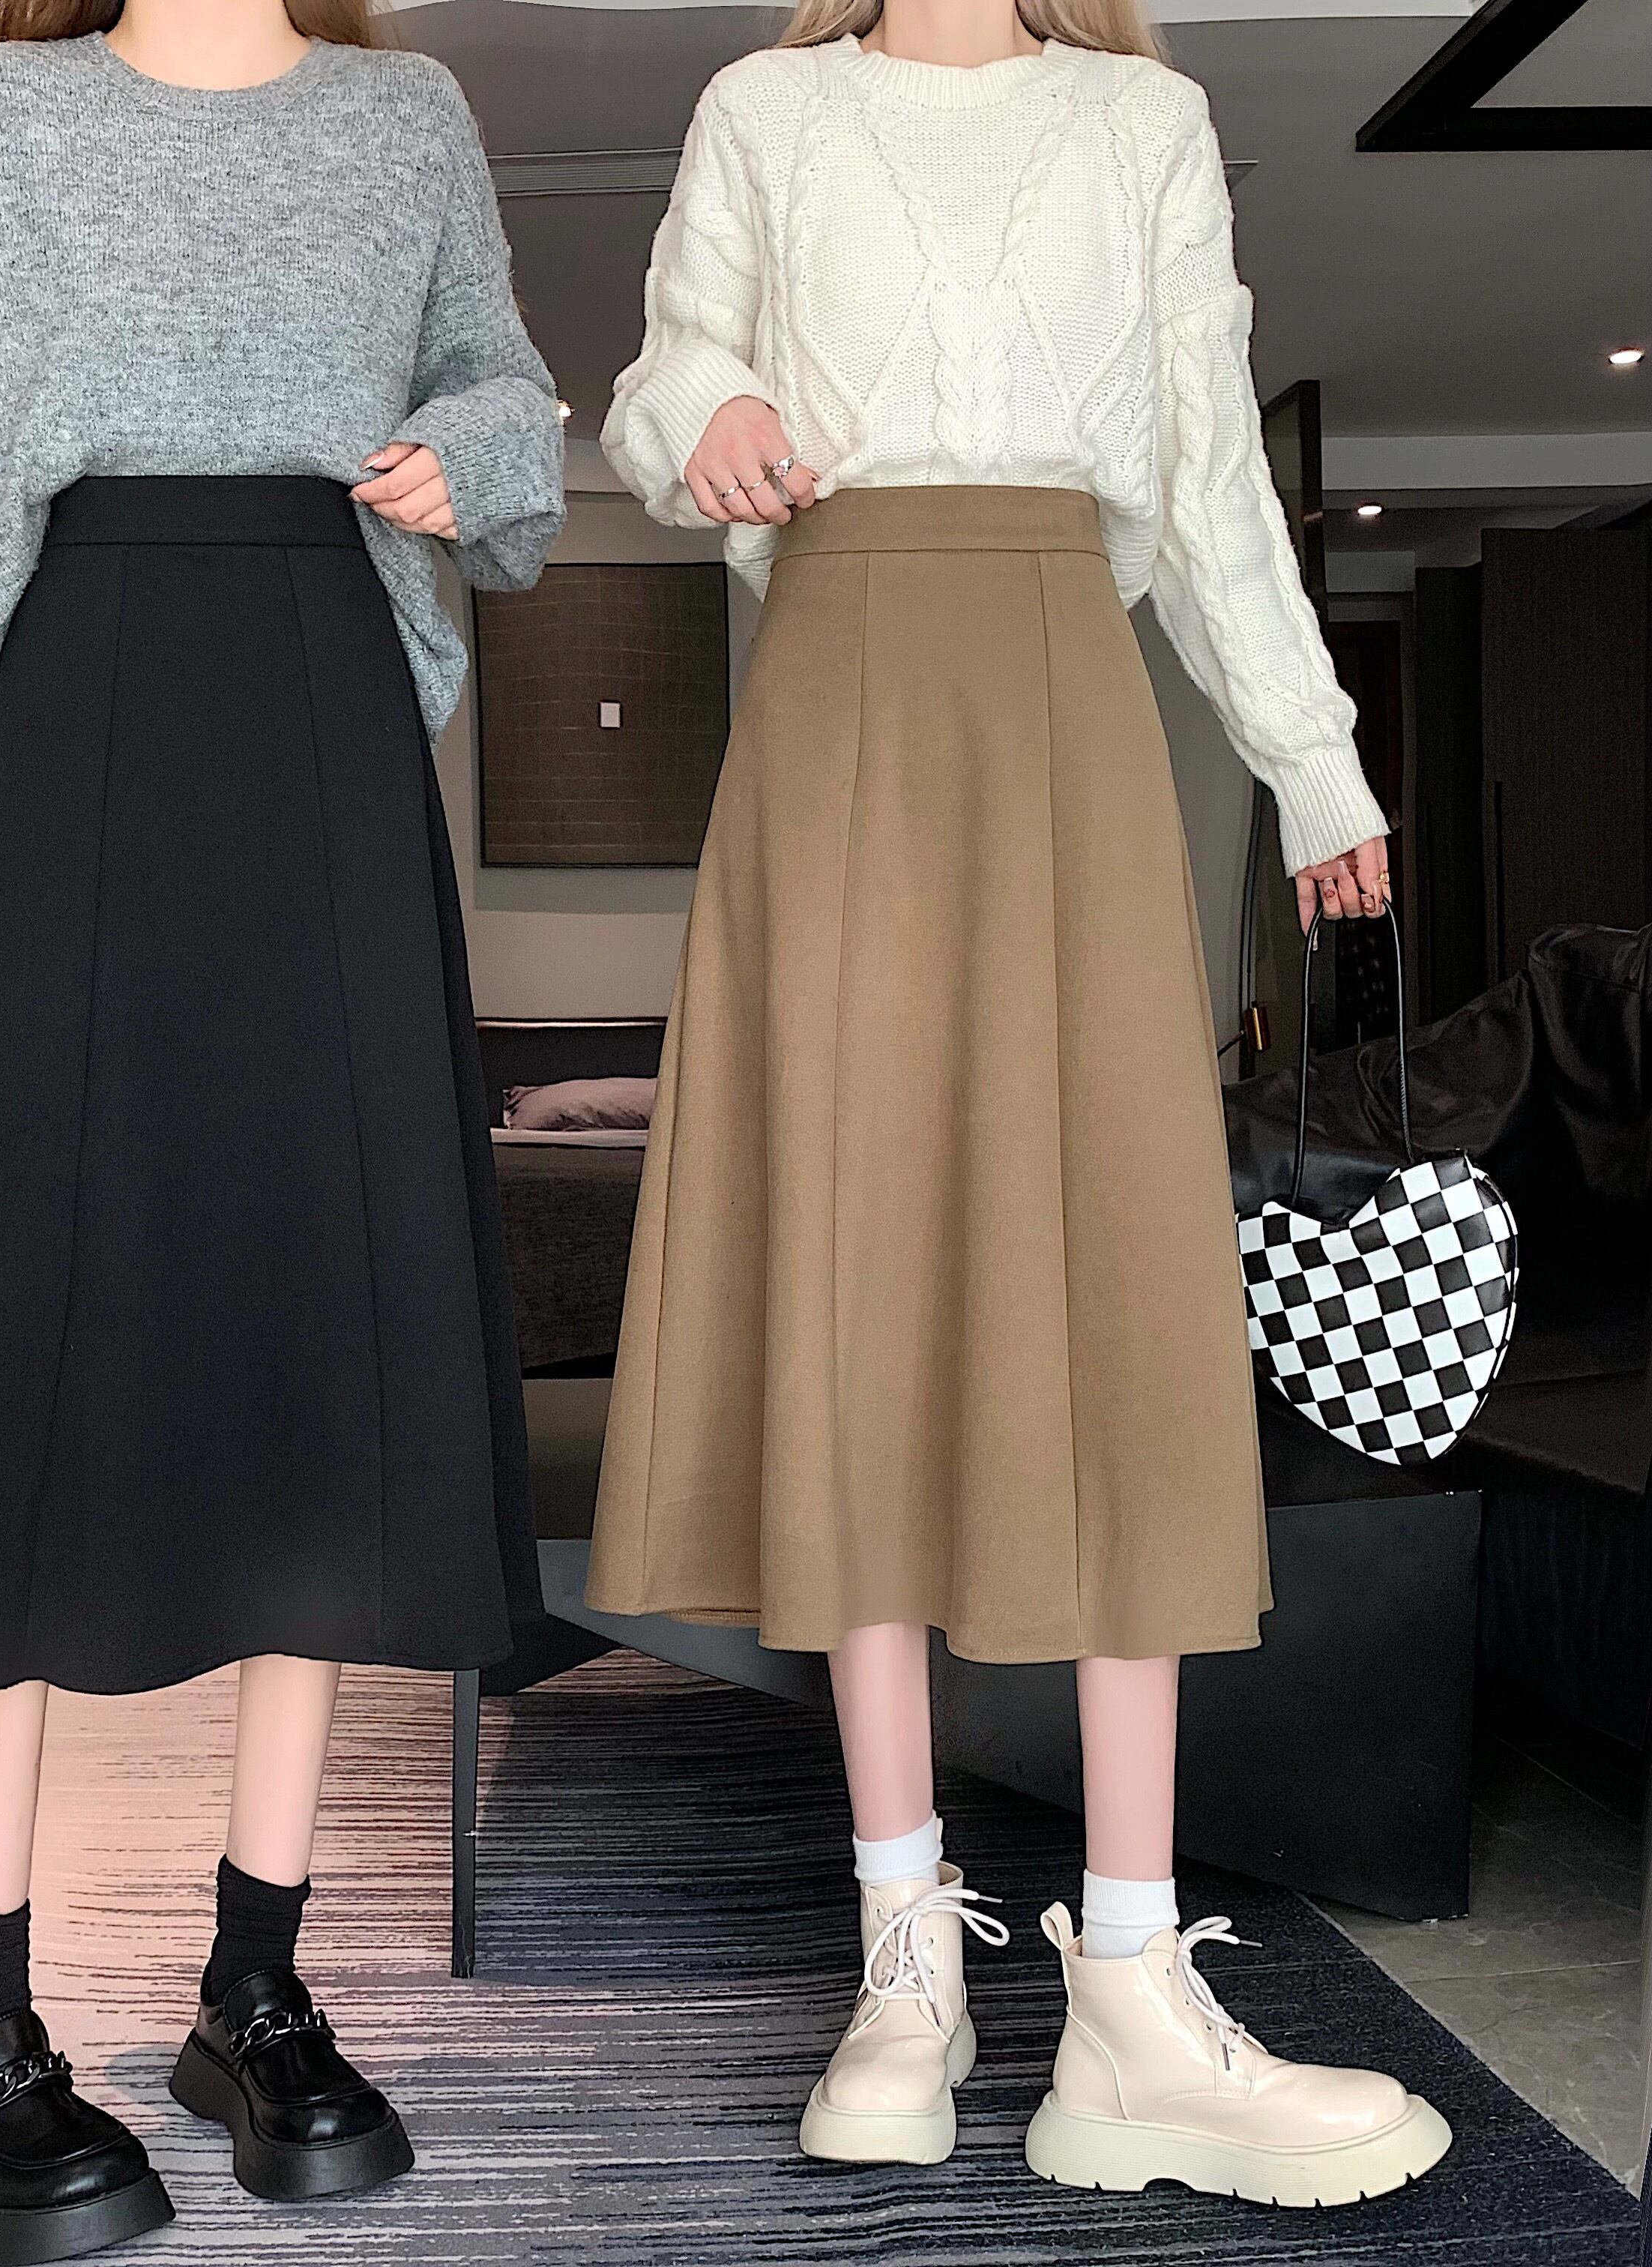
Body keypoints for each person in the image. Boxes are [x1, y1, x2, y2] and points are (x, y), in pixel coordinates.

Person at [591, 0, 1451, 2208]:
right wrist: (708, 412)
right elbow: (664, 372)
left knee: (1113, 1300)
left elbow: (1205, 456)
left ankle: (1133, 1995)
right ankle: (905, 1957)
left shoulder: (1142, 120)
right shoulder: (767, 107)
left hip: (1066, 687)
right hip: (837, 703)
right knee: (860, 1296)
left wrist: (1317, 759)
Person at [0, 1, 563, 2257]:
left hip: (328, 731)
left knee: (314, 1363)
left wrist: (467, 450)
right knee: (40, 1354)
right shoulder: (4, 117)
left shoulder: (407, 117)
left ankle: (255, 1984)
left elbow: (512, 405)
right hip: (86, 720)